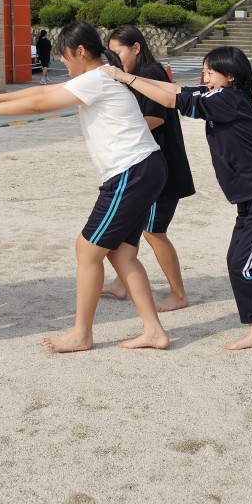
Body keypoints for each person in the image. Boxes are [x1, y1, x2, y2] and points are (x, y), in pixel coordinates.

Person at [0, 21, 169, 353]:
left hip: (132, 171)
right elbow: (40, 92)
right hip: (145, 168)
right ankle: (154, 331)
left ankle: (82, 333)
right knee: (121, 253)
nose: (64, 64)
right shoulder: (100, 74)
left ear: (81, 52)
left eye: (65, 57)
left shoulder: (97, 78)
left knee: (87, 250)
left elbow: (40, 105)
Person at [101, 47, 252, 350]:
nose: (205, 76)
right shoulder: (219, 94)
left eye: (211, 71)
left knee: (246, 267)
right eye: (204, 70)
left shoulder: (226, 99)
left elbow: (173, 99)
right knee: (235, 262)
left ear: (230, 76)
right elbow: (176, 88)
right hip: (250, 196)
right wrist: (128, 78)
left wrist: (124, 77)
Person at [101, 26, 195, 311]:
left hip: (161, 169)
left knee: (154, 232)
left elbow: (154, 118)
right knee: (133, 224)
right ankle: (120, 283)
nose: (116, 60)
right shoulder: (140, 75)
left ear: (136, 48)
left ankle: (178, 294)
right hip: (149, 167)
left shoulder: (150, 74)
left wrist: (116, 132)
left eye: (118, 52)